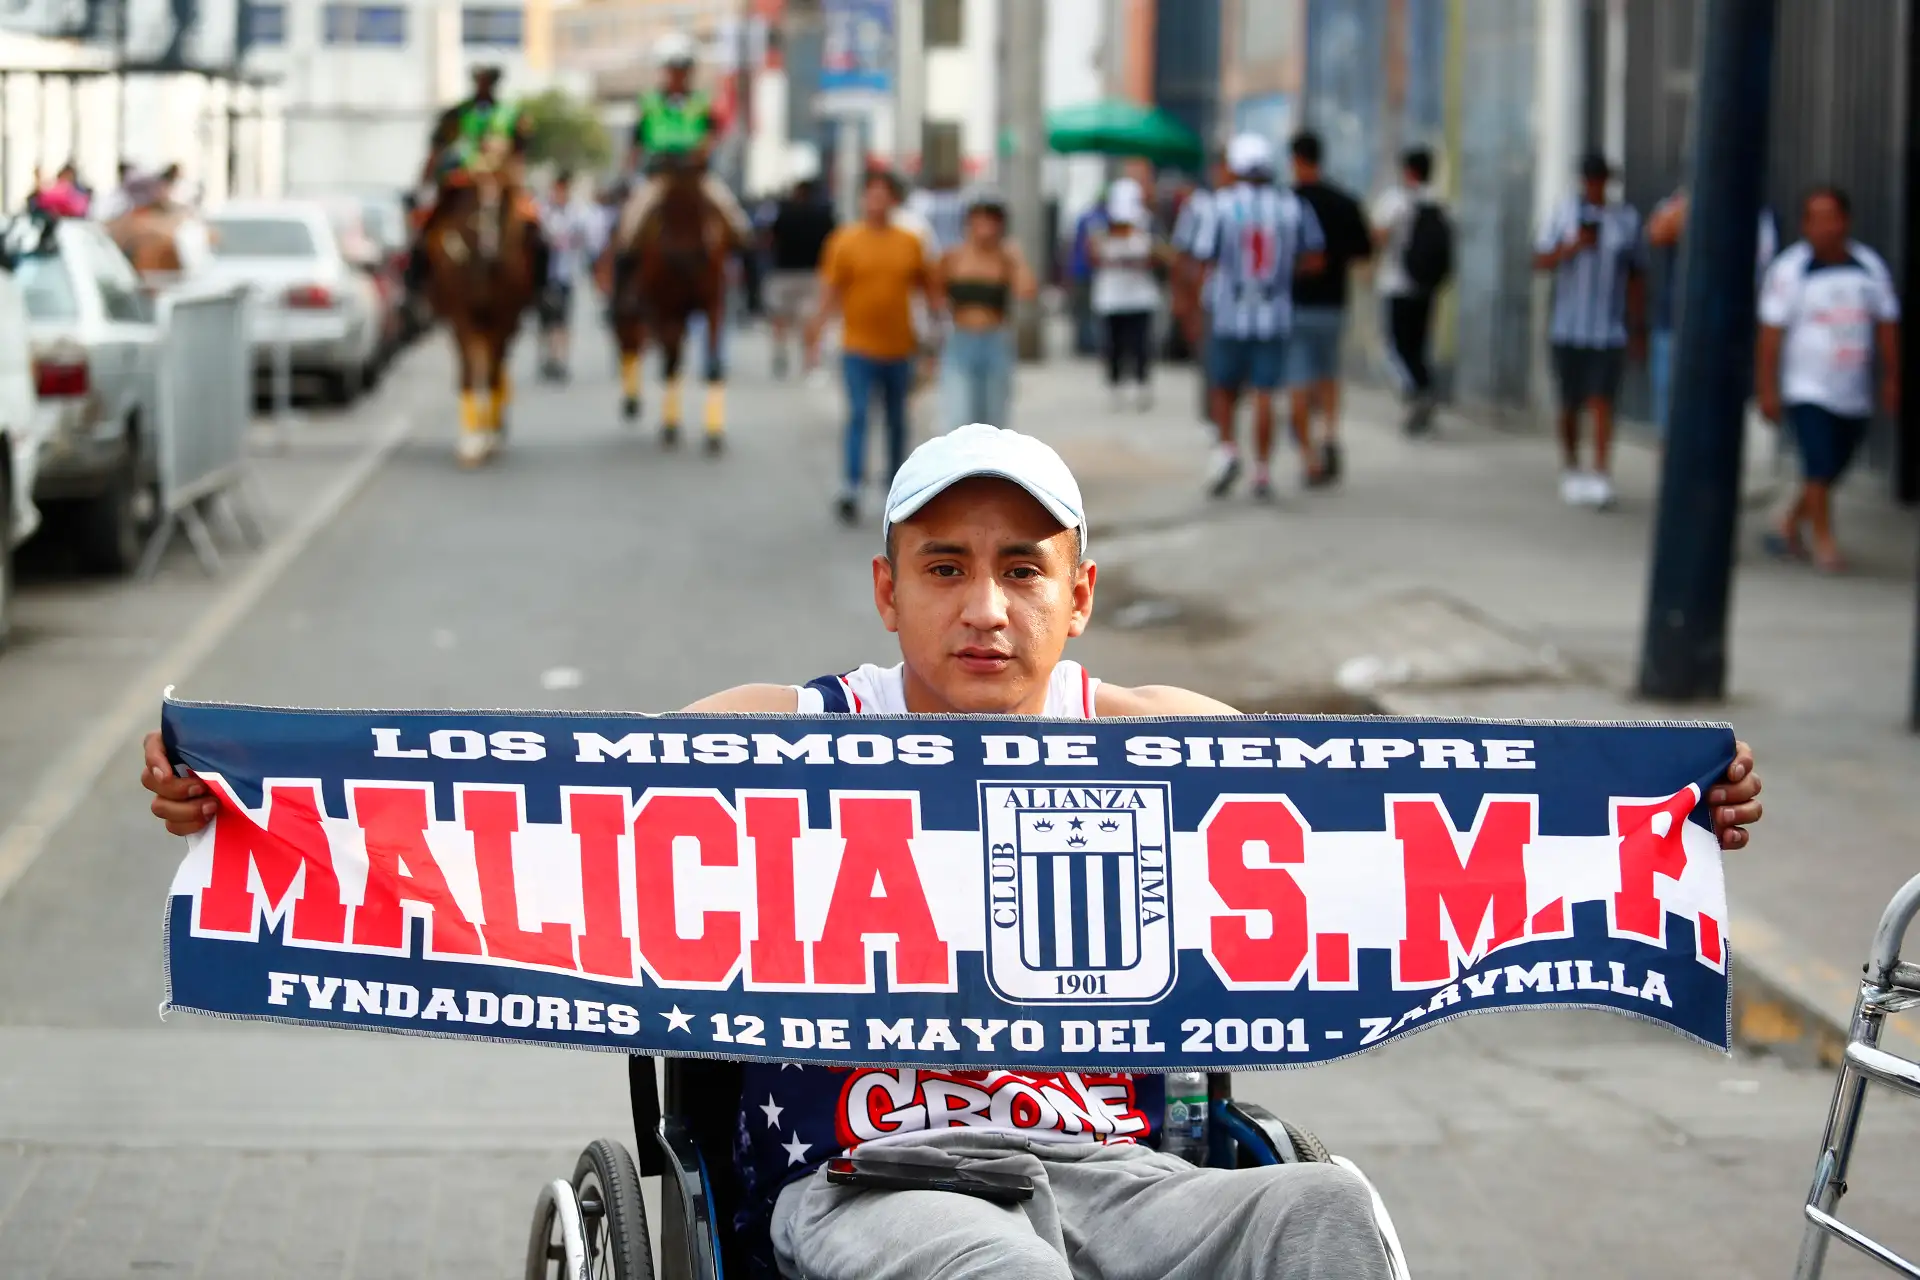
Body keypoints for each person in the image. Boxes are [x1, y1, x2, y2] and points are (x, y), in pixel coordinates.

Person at [141, 420, 1766, 1279]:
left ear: (1080, 591)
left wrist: (1656, 823)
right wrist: (256, 805)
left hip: (1118, 1168)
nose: (985, 605)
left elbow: (1435, 819)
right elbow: (528, 806)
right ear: (888, 589)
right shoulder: (791, 730)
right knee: (994, 1273)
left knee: (1326, 1214)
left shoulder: (1159, 739)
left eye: (1021, 567)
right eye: (944, 567)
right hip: (872, 1178)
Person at [1755, 186, 1900, 574]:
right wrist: (1768, 388)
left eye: (1830, 218)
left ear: (1845, 221)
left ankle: (1788, 522)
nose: (1823, 228)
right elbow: (1770, 333)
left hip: (1852, 388)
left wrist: (1892, 378)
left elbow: (1887, 323)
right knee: (1818, 460)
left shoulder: (1868, 268)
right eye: (1814, 219)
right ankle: (1824, 540)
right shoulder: (1790, 270)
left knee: (1832, 465)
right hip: (1808, 386)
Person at [1187, 133, 1327, 501]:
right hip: (1274, 315)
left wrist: (1195, 307)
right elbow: (1315, 257)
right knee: (1265, 394)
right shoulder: (1292, 207)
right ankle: (1262, 471)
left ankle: (1228, 450)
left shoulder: (1220, 206)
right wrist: (1283, 277)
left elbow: (1203, 259)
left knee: (1223, 387)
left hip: (1227, 314)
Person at [806, 169, 944, 527]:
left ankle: (896, 486)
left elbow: (929, 288)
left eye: (883, 195)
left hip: (900, 347)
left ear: (894, 200)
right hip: (857, 346)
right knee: (858, 414)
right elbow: (830, 290)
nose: (876, 202)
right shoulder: (844, 241)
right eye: (870, 194)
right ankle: (851, 485)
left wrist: (938, 330)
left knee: (897, 419)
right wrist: (816, 329)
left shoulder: (910, 242)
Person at [1533, 153, 1647, 510]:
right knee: (1569, 404)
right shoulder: (1563, 214)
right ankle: (1571, 467)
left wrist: (1637, 325)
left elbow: (1636, 274)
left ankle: (1600, 473)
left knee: (1602, 401)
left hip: (1607, 330)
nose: (1595, 185)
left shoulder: (1625, 220)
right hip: (1568, 328)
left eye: (1601, 179)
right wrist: (1572, 247)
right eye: (1590, 179)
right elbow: (1540, 260)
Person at [1645, 187, 1779, 434]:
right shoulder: (1678, 201)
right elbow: (1658, 232)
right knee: (1671, 418)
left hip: (1725, 331)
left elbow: (1759, 266)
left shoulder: (1755, 212)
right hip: (1675, 326)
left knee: (1717, 417)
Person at [615, 32, 753, 255]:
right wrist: (627, 174)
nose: (678, 74)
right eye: (673, 68)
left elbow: (712, 136)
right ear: (664, 70)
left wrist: (701, 152)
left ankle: (751, 277)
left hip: (696, 178)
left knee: (738, 224)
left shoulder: (702, 103)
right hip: (659, 179)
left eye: (683, 68)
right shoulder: (649, 103)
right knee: (629, 230)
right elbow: (636, 143)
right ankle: (621, 277)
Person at [1286, 131, 1372, 484]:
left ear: (1295, 159)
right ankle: (1330, 435)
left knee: (1297, 379)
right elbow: (1364, 251)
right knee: (1327, 374)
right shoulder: (1344, 202)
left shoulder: (1287, 203)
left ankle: (1308, 457)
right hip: (1334, 302)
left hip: (1295, 303)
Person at [937, 190, 1036, 431]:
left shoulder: (1005, 258)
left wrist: (1017, 258)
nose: (984, 227)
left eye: (991, 221)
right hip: (961, 339)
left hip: (995, 340)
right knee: (959, 416)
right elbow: (935, 293)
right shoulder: (953, 257)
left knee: (993, 419)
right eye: (978, 219)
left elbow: (1027, 291)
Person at [1369, 148, 1446, 437]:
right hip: (1426, 287)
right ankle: (1424, 389)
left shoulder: (1396, 201)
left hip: (1397, 284)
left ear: (1409, 171)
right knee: (1418, 344)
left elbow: (1378, 236)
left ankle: (1415, 393)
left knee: (1396, 346)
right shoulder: (1437, 202)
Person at [1089, 178, 1164, 410]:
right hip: (1111, 298)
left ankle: (1141, 384)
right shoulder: (1100, 228)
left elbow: (1161, 257)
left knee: (1140, 343)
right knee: (1113, 345)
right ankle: (1115, 385)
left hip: (1141, 297)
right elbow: (1092, 257)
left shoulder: (1148, 225)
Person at [1173, 149, 1235, 425]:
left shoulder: (1254, 208)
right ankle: (1217, 423)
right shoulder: (1201, 207)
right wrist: (1186, 300)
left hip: (1245, 304)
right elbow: (1185, 257)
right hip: (1213, 299)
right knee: (1214, 365)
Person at [765, 175, 837, 378]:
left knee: (779, 316)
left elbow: (770, 239)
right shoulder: (824, 215)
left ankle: (780, 348)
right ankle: (810, 360)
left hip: (784, 272)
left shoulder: (784, 213)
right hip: (812, 273)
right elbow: (833, 244)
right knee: (811, 318)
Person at [536, 171, 598, 382]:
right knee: (546, 321)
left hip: (565, 274)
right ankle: (548, 358)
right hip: (545, 275)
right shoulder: (544, 210)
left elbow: (587, 238)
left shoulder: (577, 213)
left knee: (562, 320)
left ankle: (560, 359)